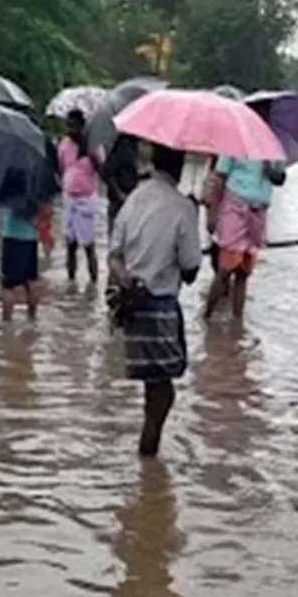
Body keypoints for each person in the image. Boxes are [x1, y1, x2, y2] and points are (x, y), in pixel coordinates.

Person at [108, 143, 202, 458]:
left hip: (132, 305)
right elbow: (190, 270)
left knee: (154, 390)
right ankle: (148, 455)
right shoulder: (181, 207)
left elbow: (114, 255)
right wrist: (194, 218)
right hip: (160, 305)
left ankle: (148, 461)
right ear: (179, 167)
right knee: (162, 392)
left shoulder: (134, 198)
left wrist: (126, 281)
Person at [203, 155, 285, 320]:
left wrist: (270, 169)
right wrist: (213, 211)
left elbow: (280, 178)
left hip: (258, 211)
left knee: (244, 272)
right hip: (234, 207)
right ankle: (207, 316)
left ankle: (237, 321)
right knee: (225, 268)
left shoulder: (273, 148)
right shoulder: (236, 143)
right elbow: (221, 176)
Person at [57, 109, 102, 282]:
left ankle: (93, 281)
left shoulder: (92, 146)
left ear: (82, 126)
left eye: (74, 126)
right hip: (69, 198)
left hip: (86, 199)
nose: (70, 130)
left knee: (89, 245)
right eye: (68, 126)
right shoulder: (63, 145)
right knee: (70, 244)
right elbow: (61, 169)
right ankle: (71, 282)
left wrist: (91, 155)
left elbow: (101, 170)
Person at [0, 204, 41, 321]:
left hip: (12, 236)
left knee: (8, 285)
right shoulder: (37, 192)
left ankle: (7, 324)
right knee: (31, 280)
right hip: (31, 237)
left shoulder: (14, 193)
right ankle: (32, 318)